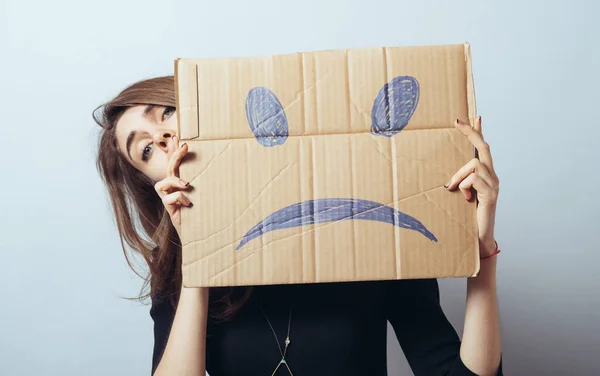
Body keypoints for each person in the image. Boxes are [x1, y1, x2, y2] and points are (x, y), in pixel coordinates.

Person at [94, 76, 503, 376]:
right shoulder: (177, 272)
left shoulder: (375, 228)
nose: (163, 136)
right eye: (145, 149)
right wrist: (201, 260)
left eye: (166, 112)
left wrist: (481, 253)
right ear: (153, 184)